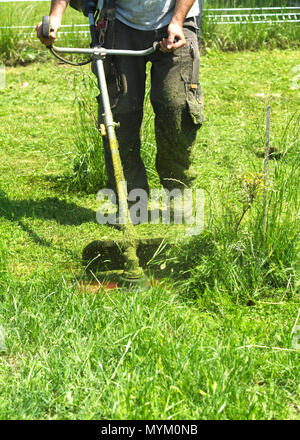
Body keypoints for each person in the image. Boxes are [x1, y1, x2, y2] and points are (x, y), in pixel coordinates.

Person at [36, 0, 204, 198]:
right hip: (119, 22)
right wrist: (55, 17)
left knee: (176, 108)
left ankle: (179, 195)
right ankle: (131, 201)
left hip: (177, 19)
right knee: (119, 117)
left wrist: (177, 21)